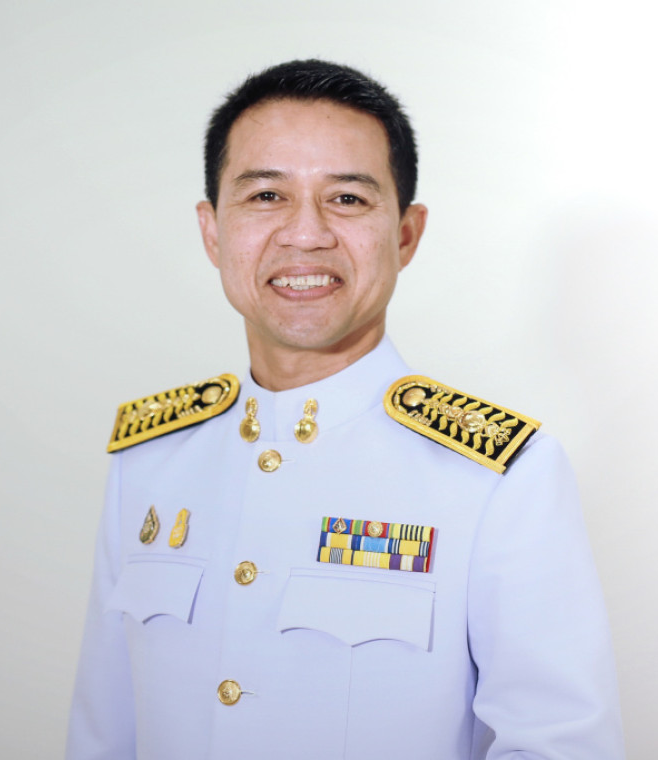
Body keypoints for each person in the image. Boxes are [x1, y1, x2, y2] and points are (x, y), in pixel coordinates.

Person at [67, 59, 624, 759]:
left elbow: (559, 746)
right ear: (212, 231)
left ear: (406, 234)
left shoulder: (498, 476)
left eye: (348, 199)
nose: (306, 234)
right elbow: (102, 732)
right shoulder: (151, 460)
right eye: (266, 195)